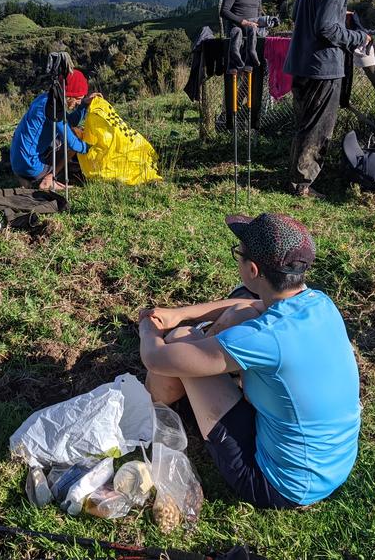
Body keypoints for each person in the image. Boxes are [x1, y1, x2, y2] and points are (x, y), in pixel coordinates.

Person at [138, 213, 361, 509]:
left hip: (278, 484)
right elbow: (249, 305)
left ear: (253, 270)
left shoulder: (265, 338)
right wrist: (182, 312)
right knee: (237, 316)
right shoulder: (319, 303)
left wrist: (148, 326)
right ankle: (177, 388)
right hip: (330, 465)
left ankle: (153, 408)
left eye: (238, 254)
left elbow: (156, 357)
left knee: (179, 341)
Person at [284, 0, 375, 197]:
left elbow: (299, 12)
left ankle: (296, 177)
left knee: (303, 123)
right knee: (319, 128)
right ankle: (303, 184)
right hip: (322, 66)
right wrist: (359, 36)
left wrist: (336, 12)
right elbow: (327, 28)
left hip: (301, 60)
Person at [10, 69, 93, 191]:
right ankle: (48, 179)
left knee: (70, 133)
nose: (79, 101)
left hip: (17, 162)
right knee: (77, 135)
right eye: (79, 98)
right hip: (30, 165)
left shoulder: (46, 99)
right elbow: (73, 144)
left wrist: (84, 105)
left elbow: (68, 122)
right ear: (69, 94)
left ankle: (25, 178)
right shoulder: (53, 109)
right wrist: (91, 147)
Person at [221, 0, 272, 70]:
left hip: (253, 35)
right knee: (234, 75)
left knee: (253, 76)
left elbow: (259, 11)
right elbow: (224, 11)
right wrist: (244, 22)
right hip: (236, 33)